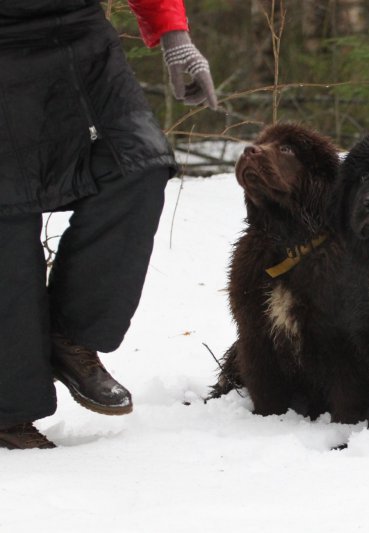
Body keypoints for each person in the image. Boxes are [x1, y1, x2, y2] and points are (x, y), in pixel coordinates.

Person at [0, 0, 216, 449]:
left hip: (81, 39)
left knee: (138, 166)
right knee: (8, 219)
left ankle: (72, 336)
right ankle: (10, 410)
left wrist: (174, 37)